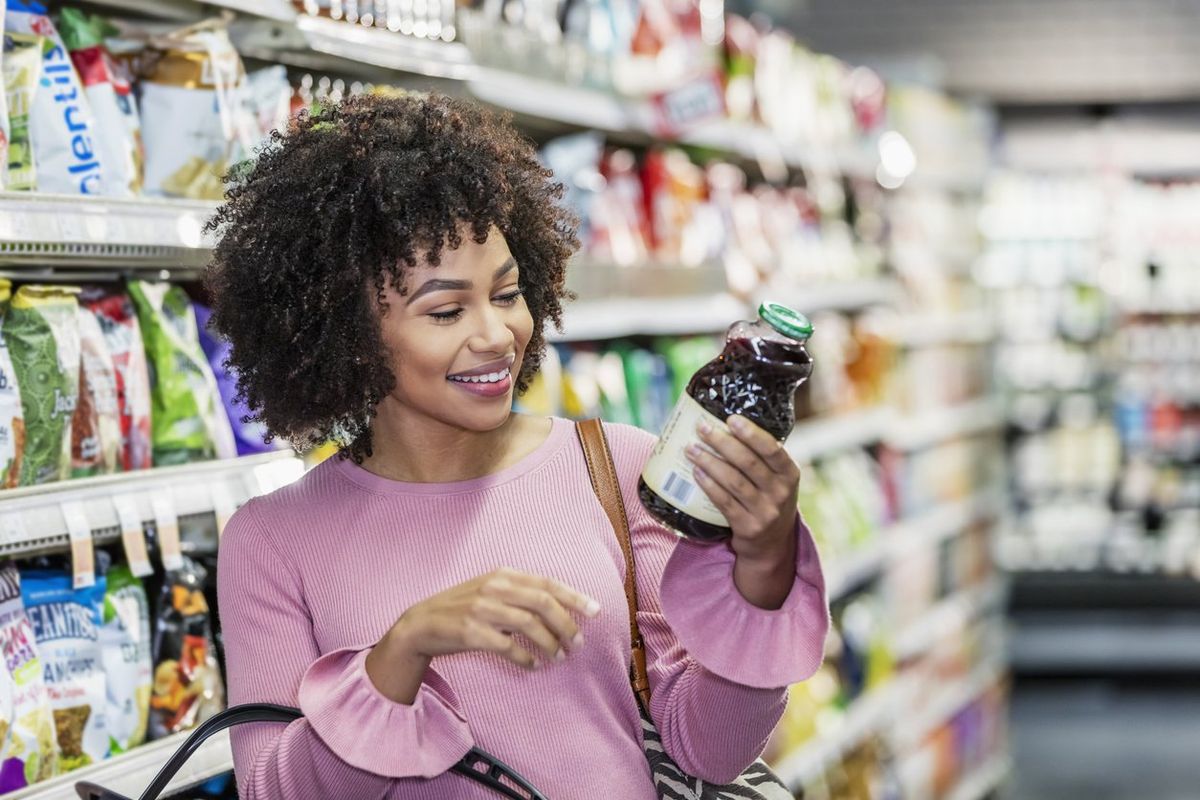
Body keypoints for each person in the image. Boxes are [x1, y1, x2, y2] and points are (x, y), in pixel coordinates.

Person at [207, 92, 829, 799]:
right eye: (445, 310)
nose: (497, 335)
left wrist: (764, 570)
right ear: (343, 332)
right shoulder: (272, 540)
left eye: (507, 294)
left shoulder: (618, 467)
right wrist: (402, 652)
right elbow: (270, 791)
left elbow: (707, 750)